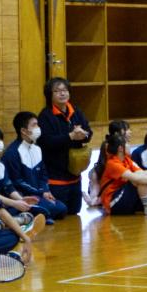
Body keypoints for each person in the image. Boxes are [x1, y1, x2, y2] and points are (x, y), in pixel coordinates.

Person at [37, 78, 93, 215]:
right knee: (61, 213)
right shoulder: (45, 116)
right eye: (57, 91)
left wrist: (84, 135)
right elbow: (47, 142)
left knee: (75, 211)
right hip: (56, 176)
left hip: (75, 173)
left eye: (65, 90)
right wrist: (70, 137)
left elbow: (89, 133)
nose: (62, 94)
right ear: (50, 95)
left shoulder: (76, 111)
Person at [2, 111, 69, 223]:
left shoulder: (37, 148)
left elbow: (43, 174)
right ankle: (32, 215)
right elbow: (18, 181)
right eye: (34, 125)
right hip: (24, 196)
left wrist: (46, 191)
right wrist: (40, 193)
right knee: (51, 209)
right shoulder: (12, 153)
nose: (38, 128)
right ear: (23, 130)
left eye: (37, 124)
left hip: (39, 194)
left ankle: (38, 215)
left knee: (62, 208)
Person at [95, 129, 147, 217]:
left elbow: (144, 172)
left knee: (144, 175)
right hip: (113, 203)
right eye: (127, 143)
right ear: (120, 148)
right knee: (139, 179)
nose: (129, 145)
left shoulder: (127, 160)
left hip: (124, 198)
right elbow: (135, 178)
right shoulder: (112, 163)